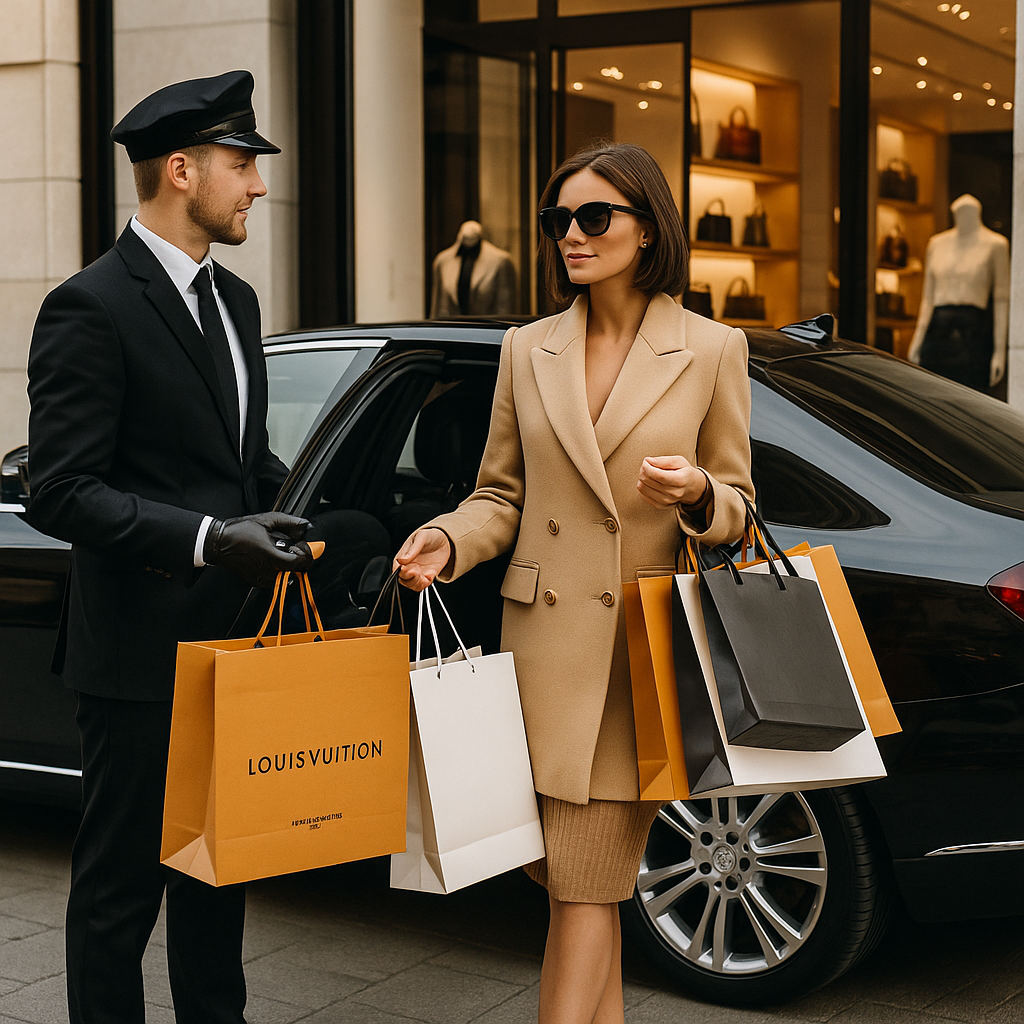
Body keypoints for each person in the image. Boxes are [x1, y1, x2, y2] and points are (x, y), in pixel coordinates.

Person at [395, 142, 754, 1024]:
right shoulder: (528, 349)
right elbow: (500, 494)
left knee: (584, 888)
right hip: (542, 658)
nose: (572, 235)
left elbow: (741, 507)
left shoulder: (710, 349)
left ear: (648, 228)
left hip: (636, 660)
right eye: (561, 220)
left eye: (597, 217)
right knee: (571, 886)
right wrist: (448, 538)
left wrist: (699, 494)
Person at [26, 70, 311, 1024]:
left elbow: (234, 462)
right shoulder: (89, 305)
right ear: (182, 170)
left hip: (231, 652)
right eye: (243, 166)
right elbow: (58, 490)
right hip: (136, 662)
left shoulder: (237, 302)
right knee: (117, 903)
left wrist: (292, 514)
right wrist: (207, 538)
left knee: (216, 886)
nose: (258, 186)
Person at [908, 193, 1010, 392]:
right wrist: (917, 340)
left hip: (973, 335)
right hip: (937, 332)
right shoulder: (936, 244)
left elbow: (1001, 299)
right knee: (932, 396)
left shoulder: (995, 245)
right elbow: (928, 298)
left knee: (968, 399)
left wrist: (999, 352)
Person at [430, 219, 518, 317]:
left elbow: (505, 307)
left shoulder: (500, 261)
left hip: (487, 327)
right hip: (452, 327)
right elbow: (439, 305)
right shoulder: (443, 261)